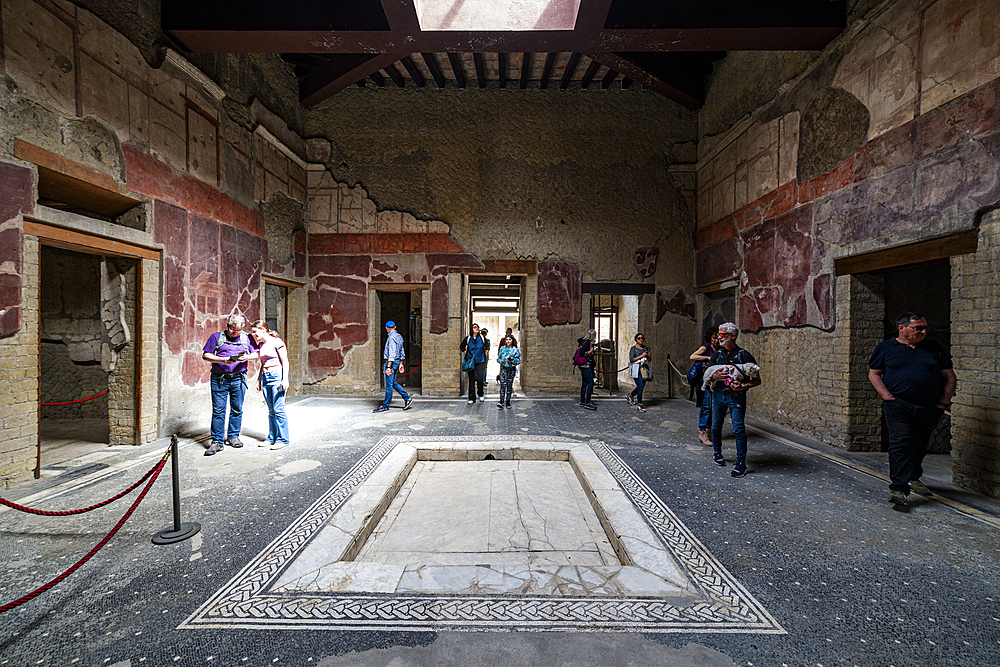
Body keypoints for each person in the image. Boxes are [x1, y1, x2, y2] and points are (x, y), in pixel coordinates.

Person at [868, 312, 956, 507]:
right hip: (898, 406)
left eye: (925, 327)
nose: (923, 331)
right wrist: (887, 397)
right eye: (918, 328)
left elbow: (949, 377)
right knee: (900, 444)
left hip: (929, 407)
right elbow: (874, 374)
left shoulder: (934, 349)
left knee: (920, 443)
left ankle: (913, 477)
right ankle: (899, 489)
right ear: (902, 328)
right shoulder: (886, 348)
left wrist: (943, 402)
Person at [201, 313, 259, 456]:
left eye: (238, 331)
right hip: (219, 378)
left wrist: (247, 357)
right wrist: (223, 360)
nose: (235, 333)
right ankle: (217, 441)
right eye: (233, 330)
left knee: (237, 409)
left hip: (239, 378)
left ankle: (233, 436)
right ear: (227, 326)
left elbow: (256, 354)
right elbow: (206, 355)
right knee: (219, 410)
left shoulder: (247, 338)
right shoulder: (216, 337)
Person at [709, 322, 761, 477]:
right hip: (718, 394)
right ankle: (717, 453)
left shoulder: (744, 355)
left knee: (738, 429)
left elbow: (757, 380)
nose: (719, 337)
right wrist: (715, 376)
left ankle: (741, 463)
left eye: (723, 335)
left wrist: (743, 386)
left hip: (736, 396)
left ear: (733, 336)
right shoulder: (717, 355)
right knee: (716, 426)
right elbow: (707, 375)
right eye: (718, 334)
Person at [250, 320, 290, 450]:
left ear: (263, 330)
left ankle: (283, 439)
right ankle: (272, 437)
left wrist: (285, 380)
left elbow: (285, 361)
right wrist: (259, 380)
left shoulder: (277, 342)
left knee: (279, 409)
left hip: (277, 376)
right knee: (271, 411)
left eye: (255, 332)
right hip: (266, 377)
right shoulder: (262, 345)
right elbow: (263, 364)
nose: (254, 335)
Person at [373, 321, 413, 413]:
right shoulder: (399, 337)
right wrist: (401, 363)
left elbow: (391, 353)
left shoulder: (391, 338)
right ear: (395, 327)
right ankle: (407, 398)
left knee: (388, 385)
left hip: (391, 362)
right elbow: (401, 351)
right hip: (397, 361)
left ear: (386, 328)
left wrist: (388, 367)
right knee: (393, 382)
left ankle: (385, 405)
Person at [690, 330, 721, 446]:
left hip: (717, 383)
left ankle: (709, 431)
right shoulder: (706, 347)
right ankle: (702, 433)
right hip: (705, 383)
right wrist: (707, 358)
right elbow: (692, 356)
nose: (716, 340)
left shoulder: (720, 349)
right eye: (714, 338)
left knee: (714, 408)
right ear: (710, 338)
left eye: (717, 337)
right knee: (706, 407)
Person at [460, 323, 488, 404]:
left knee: (479, 378)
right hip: (471, 362)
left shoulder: (482, 338)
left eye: (478, 327)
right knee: (471, 379)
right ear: (471, 329)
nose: (477, 328)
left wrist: (485, 353)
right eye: (475, 327)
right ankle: (471, 398)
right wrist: (466, 353)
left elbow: (487, 346)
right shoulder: (468, 338)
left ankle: (480, 394)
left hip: (481, 361)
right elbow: (462, 346)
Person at [626, 333, 650, 413]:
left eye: (642, 338)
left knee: (641, 386)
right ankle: (640, 404)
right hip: (636, 369)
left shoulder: (646, 348)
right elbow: (632, 359)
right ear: (636, 339)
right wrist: (642, 355)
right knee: (640, 385)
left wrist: (649, 356)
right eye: (639, 338)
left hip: (643, 370)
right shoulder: (633, 349)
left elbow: (649, 360)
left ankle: (630, 396)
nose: (640, 339)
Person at [496, 334, 520, 409]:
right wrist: (502, 361)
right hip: (503, 369)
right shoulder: (502, 349)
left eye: (509, 339)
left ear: (512, 341)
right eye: (507, 339)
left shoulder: (515, 350)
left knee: (509, 386)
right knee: (503, 385)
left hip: (511, 369)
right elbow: (498, 358)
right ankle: (501, 401)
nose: (508, 341)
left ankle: (508, 402)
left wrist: (513, 360)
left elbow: (518, 360)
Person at [576, 329, 598, 410]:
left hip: (582, 365)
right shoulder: (587, 343)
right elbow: (582, 353)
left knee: (584, 383)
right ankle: (587, 402)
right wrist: (590, 352)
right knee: (590, 382)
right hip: (586, 366)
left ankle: (582, 401)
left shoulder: (582, 341)